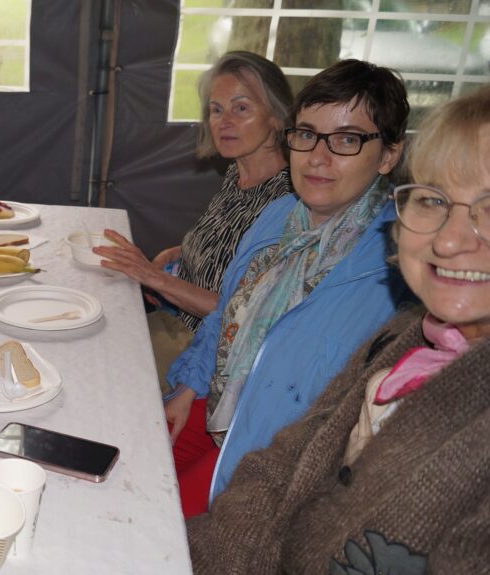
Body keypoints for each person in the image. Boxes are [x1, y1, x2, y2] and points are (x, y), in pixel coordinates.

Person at [187, 85, 490, 574]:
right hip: (231, 446)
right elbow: (283, 471)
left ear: (389, 156)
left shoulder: (389, 287)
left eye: (347, 139)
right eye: (433, 201)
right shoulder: (405, 340)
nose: (450, 240)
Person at [165, 59, 411, 518]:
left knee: (160, 522)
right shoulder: (277, 216)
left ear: (388, 155)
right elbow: (226, 313)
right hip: (222, 403)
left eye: (346, 140)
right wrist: (187, 387)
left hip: (274, 456)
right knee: (129, 463)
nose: (317, 157)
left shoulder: (400, 268)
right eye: (307, 134)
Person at [94, 51, 293, 387]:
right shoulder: (238, 174)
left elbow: (240, 312)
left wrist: (156, 279)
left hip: (204, 354)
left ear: (276, 116)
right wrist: (175, 254)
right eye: (216, 110)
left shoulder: (286, 203)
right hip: (172, 319)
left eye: (241, 108)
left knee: (97, 366)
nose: (223, 121)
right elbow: (222, 245)